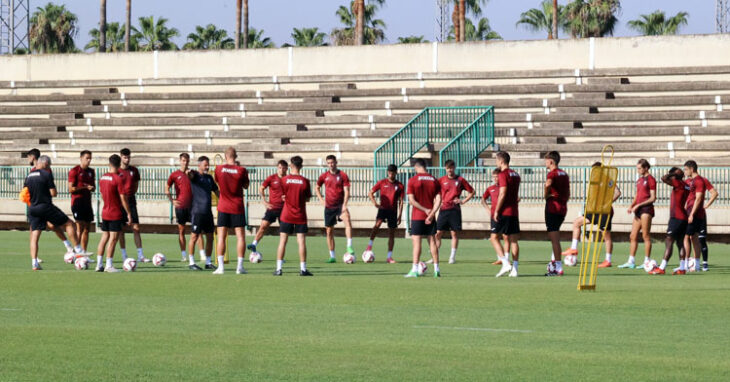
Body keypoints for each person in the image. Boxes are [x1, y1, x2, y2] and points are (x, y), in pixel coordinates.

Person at [24, 155, 84, 271]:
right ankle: (78, 251)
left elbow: (25, 193)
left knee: (35, 236)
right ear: (46, 164)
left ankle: (34, 263)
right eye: (49, 166)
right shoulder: (46, 174)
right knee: (69, 224)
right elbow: (53, 193)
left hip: (32, 208)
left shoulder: (29, 176)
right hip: (45, 206)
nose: (49, 168)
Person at [562, 162, 621, 267]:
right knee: (576, 223)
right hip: (593, 210)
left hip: (604, 212)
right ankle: (574, 248)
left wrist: (607, 203)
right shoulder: (594, 181)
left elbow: (617, 192)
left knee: (606, 236)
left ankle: (608, 260)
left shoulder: (607, 179)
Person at [26, 148, 75, 258]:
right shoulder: (33, 171)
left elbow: (50, 190)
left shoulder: (45, 171)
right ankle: (36, 257)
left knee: (50, 226)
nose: (27, 159)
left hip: (40, 205)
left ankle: (68, 246)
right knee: (42, 228)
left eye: (28, 156)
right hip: (39, 205)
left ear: (33, 157)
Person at [274, 156, 313, 276]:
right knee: (301, 242)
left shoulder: (284, 180)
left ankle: (279, 269)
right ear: (301, 166)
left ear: (291, 165)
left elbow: (283, 196)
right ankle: (303, 269)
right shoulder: (305, 181)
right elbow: (307, 198)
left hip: (286, 215)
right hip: (300, 215)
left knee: (282, 241)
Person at [213, 147, 249, 275]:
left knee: (221, 237)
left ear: (225, 156)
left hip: (223, 206)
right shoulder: (242, 170)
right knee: (240, 237)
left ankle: (221, 267)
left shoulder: (218, 169)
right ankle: (239, 267)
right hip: (237, 206)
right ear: (236, 156)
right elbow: (246, 186)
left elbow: (217, 182)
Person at [404, 159, 442, 278]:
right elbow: (439, 200)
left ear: (416, 167)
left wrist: (424, 210)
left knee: (416, 242)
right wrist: (431, 214)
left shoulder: (413, 180)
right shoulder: (434, 180)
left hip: (417, 216)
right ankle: (437, 269)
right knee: (432, 242)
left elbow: (411, 200)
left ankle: (414, 270)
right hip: (430, 217)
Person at [434, 159, 475, 264]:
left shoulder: (460, 180)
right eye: (448, 168)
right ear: (445, 168)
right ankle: (435, 255)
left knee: (454, 234)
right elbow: (435, 192)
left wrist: (463, 201)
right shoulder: (441, 180)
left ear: (454, 168)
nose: (450, 170)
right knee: (438, 233)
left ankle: (452, 257)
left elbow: (472, 191)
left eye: (451, 168)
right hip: (443, 209)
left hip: (455, 210)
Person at [97, 154, 132, 273]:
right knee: (113, 239)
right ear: (119, 165)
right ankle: (109, 265)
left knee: (104, 238)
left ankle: (98, 264)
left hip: (105, 211)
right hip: (114, 213)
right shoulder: (118, 178)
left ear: (109, 163)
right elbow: (123, 198)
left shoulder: (102, 177)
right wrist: (128, 213)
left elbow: (102, 194)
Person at [650, 167, 689, 275]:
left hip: (676, 217)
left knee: (669, 241)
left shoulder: (678, 183)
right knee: (680, 243)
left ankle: (662, 267)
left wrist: (673, 175)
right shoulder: (686, 185)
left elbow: (663, 178)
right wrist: (676, 175)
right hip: (684, 217)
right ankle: (682, 268)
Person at [618, 159, 656, 269]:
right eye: (637, 168)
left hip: (646, 210)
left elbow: (653, 197)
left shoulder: (651, 179)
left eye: (640, 168)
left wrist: (639, 205)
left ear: (646, 168)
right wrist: (632, 205)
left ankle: (647, 261)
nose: (638, 170)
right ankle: (631, 261)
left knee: (645, 235)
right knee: (633, 235)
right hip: (638, 210)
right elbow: (637, 195)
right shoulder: (639, 180)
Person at [316, 155, 354, 263]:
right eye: (328, 163)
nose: (331, 165)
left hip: (340, 205)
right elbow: (317, 187)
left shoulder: (342, 175)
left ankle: (349, 246)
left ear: (336, 162)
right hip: (329, 207)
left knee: (347, 220)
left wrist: (345, 204)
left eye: (332, 162)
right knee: (329, 231)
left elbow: (347, 190)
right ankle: (332, 256)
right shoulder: (324, 176)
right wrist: (321, 200)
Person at [490, 151, 521, 278]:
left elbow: (502, 193)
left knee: (493, 237)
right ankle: (515, 269)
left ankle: (505, 262)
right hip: (514, 211)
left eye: (497, 160)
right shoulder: (516, 174)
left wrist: (497, 210)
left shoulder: (503, 174)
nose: (496, 163)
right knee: (514, 241)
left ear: (501, 161)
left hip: (505, 211)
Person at [365, 164, 404, 263]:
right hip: (383, 209)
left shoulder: (399, 185)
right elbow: (370, 193)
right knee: (377, 225)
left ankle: (389, 257)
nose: (391, 174)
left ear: (396, 173)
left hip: (393, 211)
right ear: (388, 172)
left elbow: (401, 202)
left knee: (391, 233)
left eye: (392, 172)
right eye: (389, 172)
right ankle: (369, 246)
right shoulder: (382, 182)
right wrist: (375, 203)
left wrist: (400, 215)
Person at [248, 160, 288, 256]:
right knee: (263, 226)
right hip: (272, 208)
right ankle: (254, 244)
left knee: (283, 233)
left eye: (283, 168)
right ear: (277, 168)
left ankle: (281, 255)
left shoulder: (288, 179)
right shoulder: (271, 178)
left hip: (285, 209)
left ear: (286, 169)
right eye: (279, 168)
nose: (281, 170)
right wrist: (264, 201)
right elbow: (261, 188)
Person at [187, 156, 219, 270]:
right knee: (194, 236)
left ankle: (208, 262)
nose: (207, 167)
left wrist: (222, 201)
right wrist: (189, 172)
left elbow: (216, 191)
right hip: (197, 212)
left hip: (208, 213)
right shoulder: (195, 176)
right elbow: (190, 175)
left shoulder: (209, 178)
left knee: (210, 237)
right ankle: (191, 262)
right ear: (199, 165)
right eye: (205, 165)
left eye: (208, 164)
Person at [118, 148, 150, 263]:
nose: (127, 159)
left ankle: (140, 255)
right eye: (125, 157)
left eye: (128, 157)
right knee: (121, 230)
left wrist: (130, 194)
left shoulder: (134, 170)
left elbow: (135, 185)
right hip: (120, 202)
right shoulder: (117, 171)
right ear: (121, 157)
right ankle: (124, 254)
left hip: (131, 200)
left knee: (136, 228)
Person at [166, 153, 199, 262]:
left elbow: (199, 184)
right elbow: (167, 188)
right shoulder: (174, 174)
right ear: (180, 161)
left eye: (187, 161)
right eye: (184, 160)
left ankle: (202, 254)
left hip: (193, 206)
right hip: (180, 207)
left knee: (197, 230)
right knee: (181, 230)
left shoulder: (193, 173)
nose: (185, 163)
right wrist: (172, 201)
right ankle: (184, 255)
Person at [544, 151, 570, 276]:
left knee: (554, 238)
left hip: (553, 207)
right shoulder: (564, 174)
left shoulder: (552, 173)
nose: (545, 162)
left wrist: (546, 194)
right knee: (556, 236)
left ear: (551, 161)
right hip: (562, 208)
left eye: (546, 160)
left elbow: (548, 184)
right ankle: (554, 262)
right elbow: (568, 192)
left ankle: (558, 266)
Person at [68, 150, 95, 255]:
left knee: (87, 228)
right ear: (81, 158)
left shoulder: (91, 171)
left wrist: (92, 188)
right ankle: (77, 252)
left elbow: (93, 187)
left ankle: (83, 252)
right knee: (79, 227)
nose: (89, 160)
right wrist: (84, 187)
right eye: (87, 158)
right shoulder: (74, 171)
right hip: (77, 203)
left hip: (87, 203)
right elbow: (70, 189)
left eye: (90, 158)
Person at [481, 168, 509, 265]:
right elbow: (483, 199)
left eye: (497, 177)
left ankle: (506, 259)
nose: (496, 179)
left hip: (504, 214)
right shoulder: (490, 188)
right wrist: (488, 210)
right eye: (494, 177)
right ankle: (501, 258)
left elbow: (516, 198)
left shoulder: (505, 187)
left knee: (506, 237)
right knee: (494, 237)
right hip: (494, 216)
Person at [691, 173, 718, 271]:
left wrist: (706, 205)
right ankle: (693, 262)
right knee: (689, 237)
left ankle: (705, 263)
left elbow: (714, 193)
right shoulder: (686, 182)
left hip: (700, 214)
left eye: (686, 169)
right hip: (690, 213)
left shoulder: (702, 180)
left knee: (701, 239)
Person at [683, 160, 706, 273]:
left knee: (686, 237)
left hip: (694, 213)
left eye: (686, 169)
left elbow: (699, 198)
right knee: (694, 237)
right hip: (693, 212)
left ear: (692, 169)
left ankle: (686, 263)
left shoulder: (699, 181)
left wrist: (691, 214)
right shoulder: (691, 181)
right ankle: (696, 265)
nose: (685, 171)